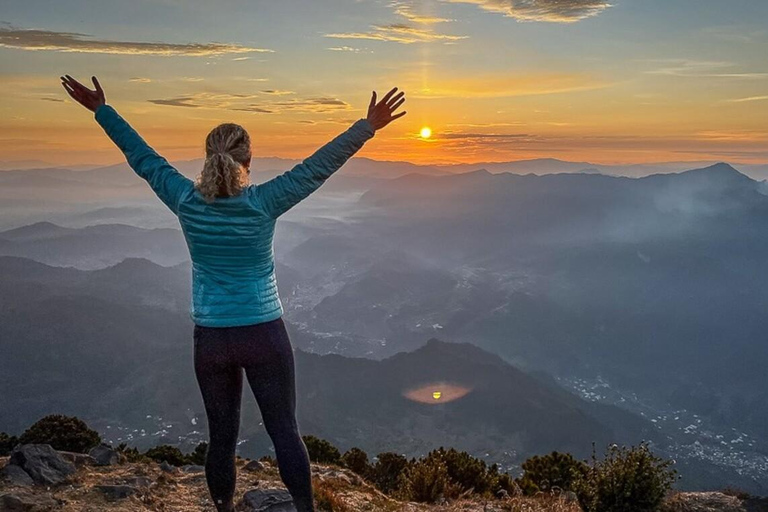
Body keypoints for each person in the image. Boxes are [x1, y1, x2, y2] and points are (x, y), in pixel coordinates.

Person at [60, 74, 406, 512]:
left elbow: (142, 158)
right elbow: (317, 167)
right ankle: (304, 510)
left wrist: (102, 111)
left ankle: (223, 509)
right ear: (248, 160)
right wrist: (367, 126)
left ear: (207, 158)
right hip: (264, 333)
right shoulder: (264, 202)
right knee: (284, 430)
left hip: (212, 338)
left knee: (221, 436)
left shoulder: (185, 199)